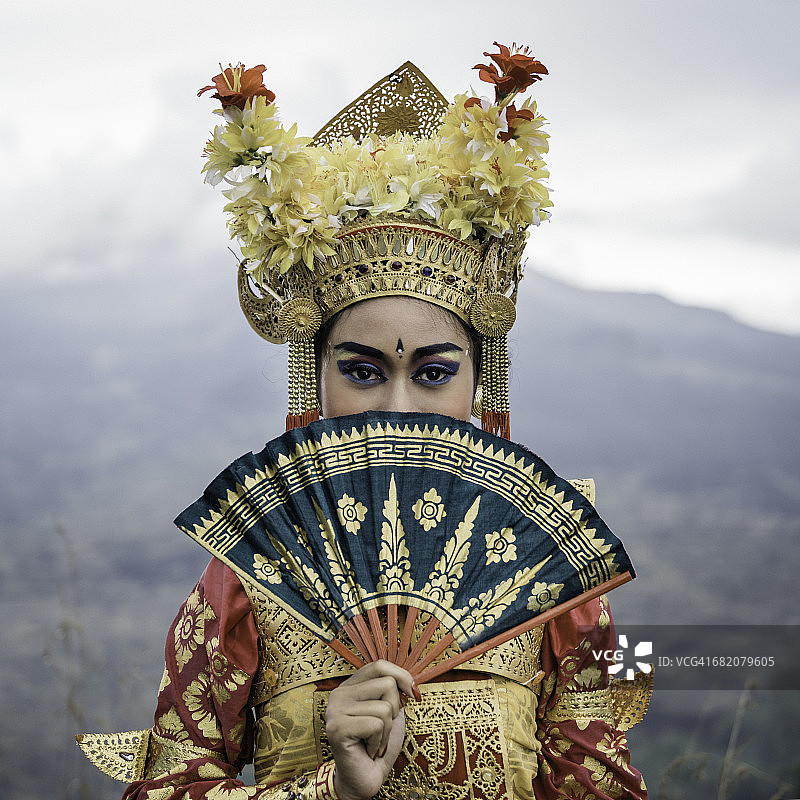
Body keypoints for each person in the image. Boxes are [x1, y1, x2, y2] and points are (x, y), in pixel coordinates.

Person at [78, 45, 652, 800]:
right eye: (362, 371)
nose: (398, 407)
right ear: (312, 377)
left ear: (482, 383)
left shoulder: (563, 582)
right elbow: (162, 790)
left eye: (435, 373)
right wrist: (331, 791)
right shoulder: (245, 579)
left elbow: (607, 787)